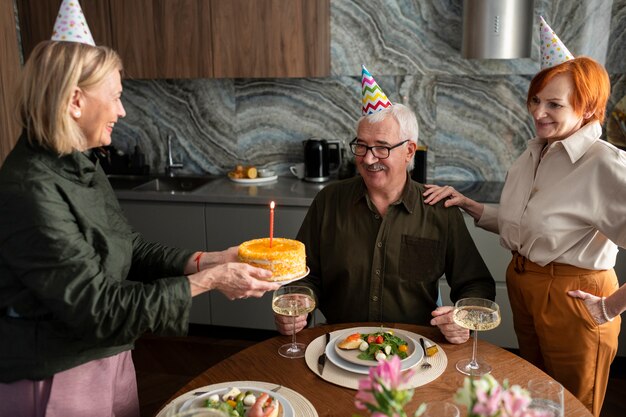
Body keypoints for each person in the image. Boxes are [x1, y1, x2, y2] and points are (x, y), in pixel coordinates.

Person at [0, 40, 280, 417]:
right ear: (75, 101)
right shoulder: (29, 189)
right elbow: (96, 308)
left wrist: (209, 260)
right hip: (57, 372)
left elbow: (125, 245)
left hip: (111, 352)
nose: (123, 109)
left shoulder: (81, 162)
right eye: (114, 96)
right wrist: (211, 280)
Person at [422, 20, 623, 415]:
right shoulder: (537, 151)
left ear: (586, 108)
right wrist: (470, 205)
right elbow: (529, 224)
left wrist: (611, 306)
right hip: (526, 289)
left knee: (572, 406)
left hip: (574, 297)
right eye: (535, 100)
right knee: (536, 396)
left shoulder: (605, 165)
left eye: (554, 104)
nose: (538, 112)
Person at [274, 67, 495, 344]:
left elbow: (477, 284)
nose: (368, 159)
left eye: (381, 147)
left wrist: (462, 318)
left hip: (415, 349)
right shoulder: (329, 200)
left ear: (409, 151)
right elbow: (302, 274)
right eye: (362, 146)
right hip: (339, 345)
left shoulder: (439, 209)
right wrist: (298, 300)